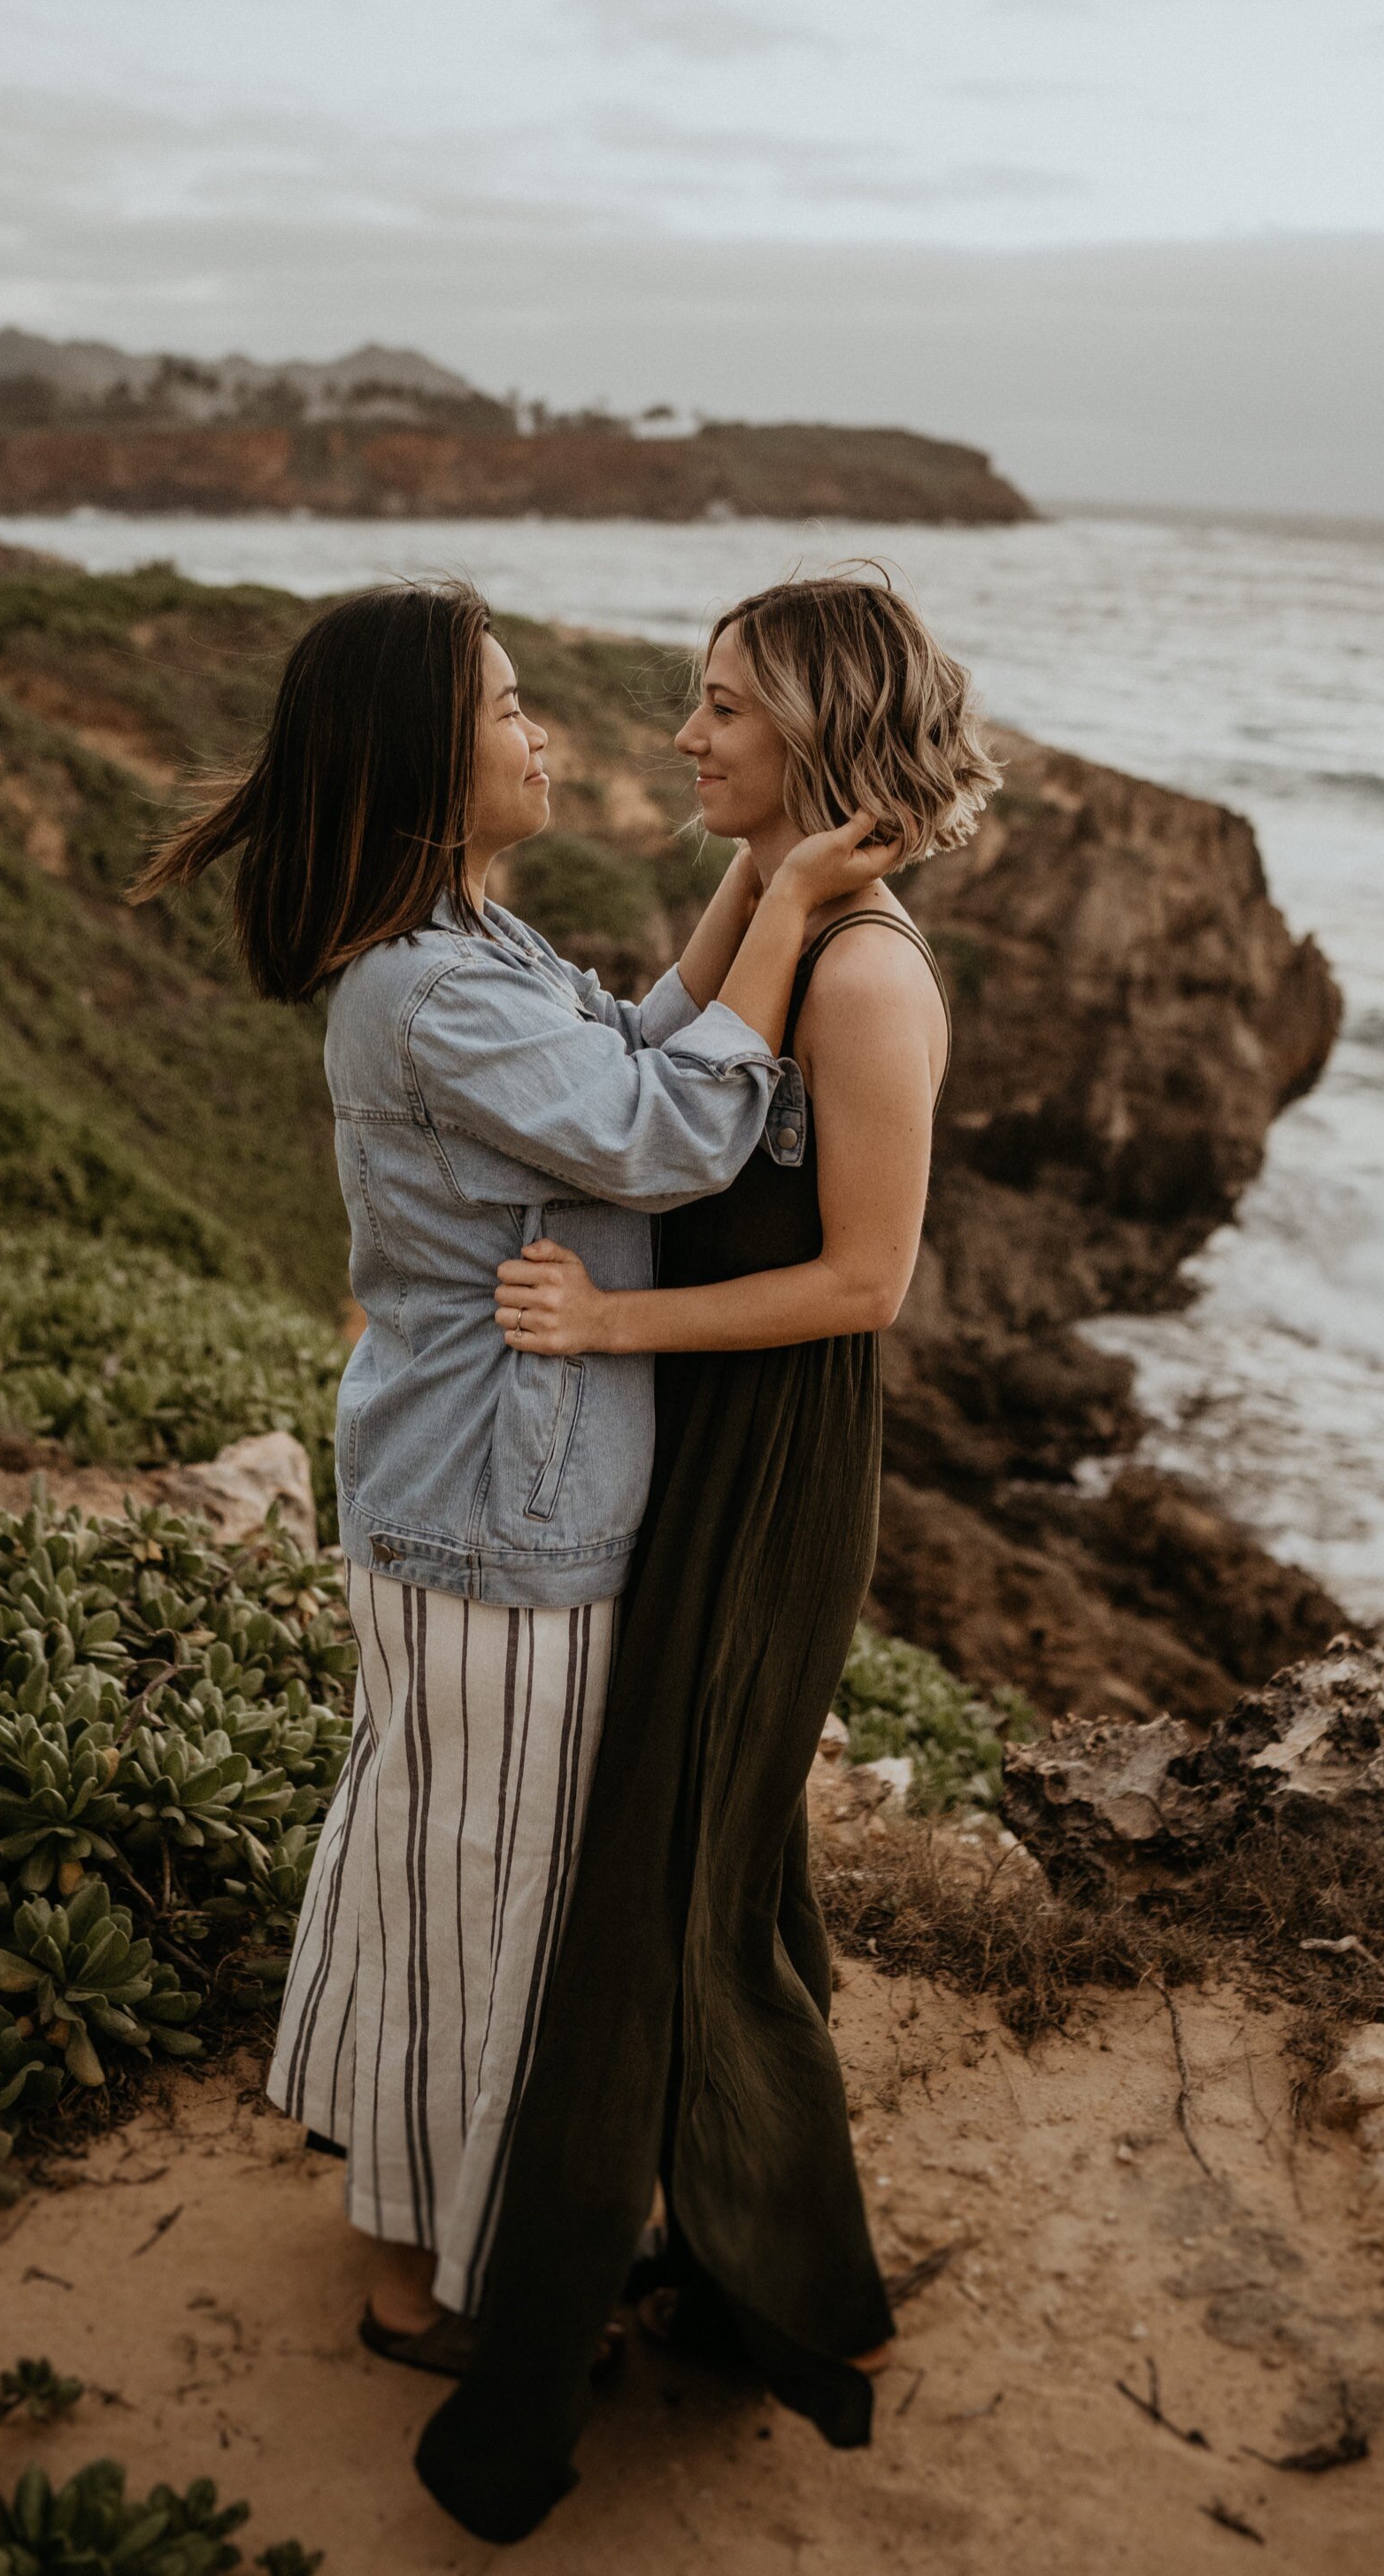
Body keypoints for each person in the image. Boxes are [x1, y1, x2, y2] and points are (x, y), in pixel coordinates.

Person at [129, 579, 891, 2373]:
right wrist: (789, 896)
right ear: (423, 759)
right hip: (496, 1522)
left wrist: (757, 875)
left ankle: (406, 2236)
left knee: (431, 1864)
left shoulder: (465, 945)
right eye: (509, 702)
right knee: (497, 1910)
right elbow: (675, 1130)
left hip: (458, 1500)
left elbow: (634, 1040)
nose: (542, 728)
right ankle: (447, 2290)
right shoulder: (421, 989)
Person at [416, 568, 1002, 2543]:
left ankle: (740, 2278)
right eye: (691, 698)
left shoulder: (865, 975)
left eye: (725, 708)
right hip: (708, 1452)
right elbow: (670, 1050)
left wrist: (609, 1328)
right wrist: (764, 874)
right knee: (709, 1862)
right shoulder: (787, 924)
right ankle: (755, 2235)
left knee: (679, 1880)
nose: (683, 733)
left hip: (772, 1469)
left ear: (814, 736)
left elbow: (866, 1279)